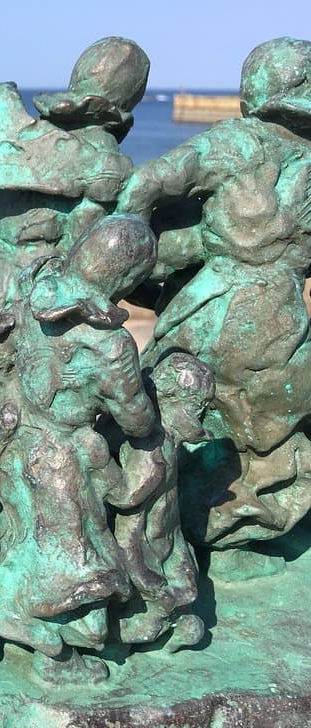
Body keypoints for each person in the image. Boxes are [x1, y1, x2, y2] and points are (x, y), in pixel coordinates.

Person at [117, 36, 311, 548]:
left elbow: (144, 187)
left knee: (218, 419)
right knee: (229, 425)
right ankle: (207, 535)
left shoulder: (250, 145)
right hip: (248, 312)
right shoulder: (244, 145)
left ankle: (199, 534)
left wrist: (132, 254)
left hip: (246, 311)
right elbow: (146, 189)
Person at [0, 215, 158, 684]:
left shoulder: (32, 289)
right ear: (128, 280)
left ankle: (21, 620)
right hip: (64, 460)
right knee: (70, 560)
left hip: (15, 442)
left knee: (18, 538)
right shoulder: (110, 346)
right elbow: (137, 419)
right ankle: (47, 649)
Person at [0, 37, 150, 354]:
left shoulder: (9, 147)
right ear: (132, 99)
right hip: (56, 328)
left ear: (77, 77)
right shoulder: (120, 172)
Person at [106, 353, 214, 650]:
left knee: (176, 585)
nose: (201, 415)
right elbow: (127, 499)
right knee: (156, 591)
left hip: (162, 538)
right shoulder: (153, 452)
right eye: (196, 407)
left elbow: (127, 497)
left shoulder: (161, 446)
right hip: (146, 541)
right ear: (168, 399)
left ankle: (164, 621)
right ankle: (143, 624)